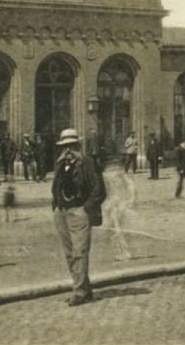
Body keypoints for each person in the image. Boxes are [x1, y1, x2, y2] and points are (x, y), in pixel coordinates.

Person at [51, 128, 106, 306]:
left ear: (78, 146)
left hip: (78, 212)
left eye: (71, 146)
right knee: (69, 253)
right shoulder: (60, 164)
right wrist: (56, 204)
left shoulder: (88, 163)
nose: (67, 151)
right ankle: (84, 288)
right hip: (62, 212)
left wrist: (85, 208)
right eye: (64, 147)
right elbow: (56, 186)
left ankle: (80, 291)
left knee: (80, 252)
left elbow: (99, 190)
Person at [102, 164, 137, 261]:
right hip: (116, 205)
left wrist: (130, 200)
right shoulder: (118, 176)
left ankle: (124, 251)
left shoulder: (109, 176)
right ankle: (121, 250)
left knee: (118, 229)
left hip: (117, 205)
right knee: (117, 228)